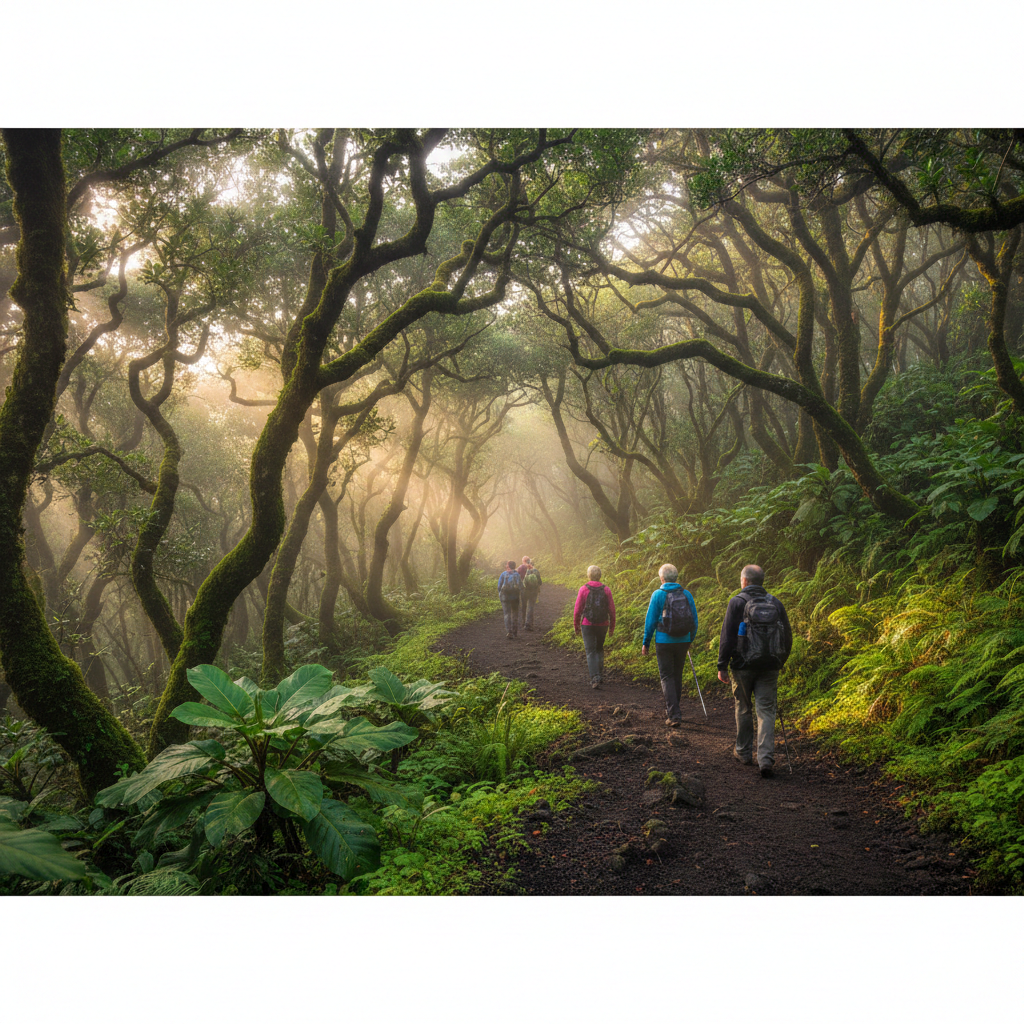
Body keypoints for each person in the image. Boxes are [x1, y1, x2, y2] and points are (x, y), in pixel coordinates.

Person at [717, 564, 793, 778]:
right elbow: (787, 636)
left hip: (742, 666)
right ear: (761, 581)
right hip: (769, 666)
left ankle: (743, 752)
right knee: (766, 710)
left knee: (743, 706)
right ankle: (766, 759)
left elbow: (727, 637)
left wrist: (722, 665)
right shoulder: (775, 603)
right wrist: (780, 660)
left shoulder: (737, 602)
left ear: (744, 581)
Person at [642, 564, 698, 727]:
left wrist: (646, 642)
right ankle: (675, 710)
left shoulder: (658, 594)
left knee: (667, 676)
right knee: (677, 675)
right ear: (676, 577)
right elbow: (694, 620)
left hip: (664, 642)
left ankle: (674, 715)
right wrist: (690, 639)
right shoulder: (686, 594)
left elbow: (650, 620)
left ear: (662, 578)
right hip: (683, 641)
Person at [573, 565, 615, 688]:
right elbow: (612, 610)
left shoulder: (583, 589)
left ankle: (595, 678)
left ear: (589, 575)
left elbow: (577, 610)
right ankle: (599, 675)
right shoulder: (606, 590)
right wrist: (612, 627)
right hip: (603, 624)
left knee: (590, 651)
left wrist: (576, 626)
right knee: (599, 649)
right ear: (600, 575)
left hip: (587, 624)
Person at [497, 559, 522, 639]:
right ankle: (515, 632)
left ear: (508, 566)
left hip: (505, 597)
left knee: (507, 614)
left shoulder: (503, 574)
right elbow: (521, 586)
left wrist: (500, 594)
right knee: (515, 614)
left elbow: (499, 586)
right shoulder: (517, 575)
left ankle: (509, 632)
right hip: (515, 597)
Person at [517, 556, 542, 631]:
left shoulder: (524, 570)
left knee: (524, 606)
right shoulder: (536, 571)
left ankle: (523, 622)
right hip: (534, 592)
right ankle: (529, 624)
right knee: (531, 606)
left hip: (525, 591)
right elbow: (540, 582)